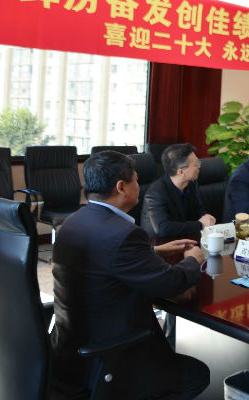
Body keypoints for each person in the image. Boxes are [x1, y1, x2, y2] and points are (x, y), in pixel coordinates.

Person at [51, 151, 208, 399]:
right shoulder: (124, 234)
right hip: (110, 358)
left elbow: (100, 256)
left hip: (70, 354)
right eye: (136, 180)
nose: (139, 186)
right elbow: (170, 283)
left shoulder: (72, 222)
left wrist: (153, 251)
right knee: (197, 374)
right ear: (121, 187)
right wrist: (193, 260)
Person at [142, 143, 216, 238]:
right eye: (196, 164)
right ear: (181, 172)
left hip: (184, 238)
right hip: (161, 243)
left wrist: (207, 219)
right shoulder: (155, 193)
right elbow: (164, 229)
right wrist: (200, 225)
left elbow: (199, 210)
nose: (199, 166)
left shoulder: (191, 184)